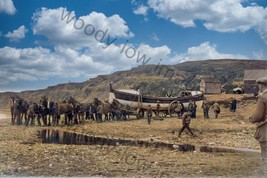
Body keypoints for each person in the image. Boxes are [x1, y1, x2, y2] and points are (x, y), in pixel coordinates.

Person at [249, 76, 267, 173]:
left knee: (266, 155)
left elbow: (258, 116)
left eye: (259, 85)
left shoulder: (263, 97)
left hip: (265, 131)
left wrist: (251, 119)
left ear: (262, 86)